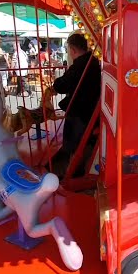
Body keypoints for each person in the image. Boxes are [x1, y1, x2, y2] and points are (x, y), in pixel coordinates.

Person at [51, 31, 101, 178]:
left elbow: (61, 85)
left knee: (71, 140)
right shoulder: (94, 62)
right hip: (91, 109)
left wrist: (56, 83)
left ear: (72, 50)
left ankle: (72, 170)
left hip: (82, 112)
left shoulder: (80, 65)